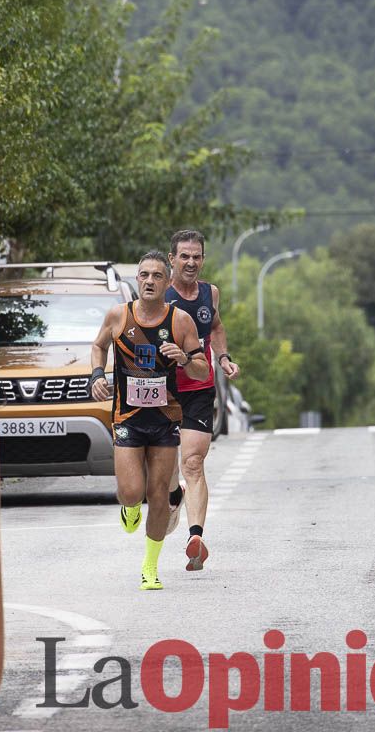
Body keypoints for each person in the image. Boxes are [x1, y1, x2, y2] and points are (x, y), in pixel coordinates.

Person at [90, 252, 209, 590]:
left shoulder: (180, 321)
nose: (150, 281)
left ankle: (150, 567)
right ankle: (129, 509)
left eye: (157, 276)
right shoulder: (118, 316)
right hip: (127, 417)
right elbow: (98, 346)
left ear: (166, 281)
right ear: (137, 280)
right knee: (131, 493)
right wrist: (97, 375)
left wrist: (185, 358)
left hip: (165, 419)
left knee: (159, 495)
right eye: (144, 275)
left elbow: (202, 370)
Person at [164, 229, 240, 572]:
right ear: (172, 260)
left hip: (198, 387)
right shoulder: (159, 296)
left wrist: (223, 359)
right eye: (184, 256)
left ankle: (196, 539)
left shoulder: (211, 294)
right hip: (161, 391)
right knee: (163, 468)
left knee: (193, 463)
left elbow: (218, 327)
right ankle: (173, 495)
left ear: (203, 259)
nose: (191, 262)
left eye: (196, 256)